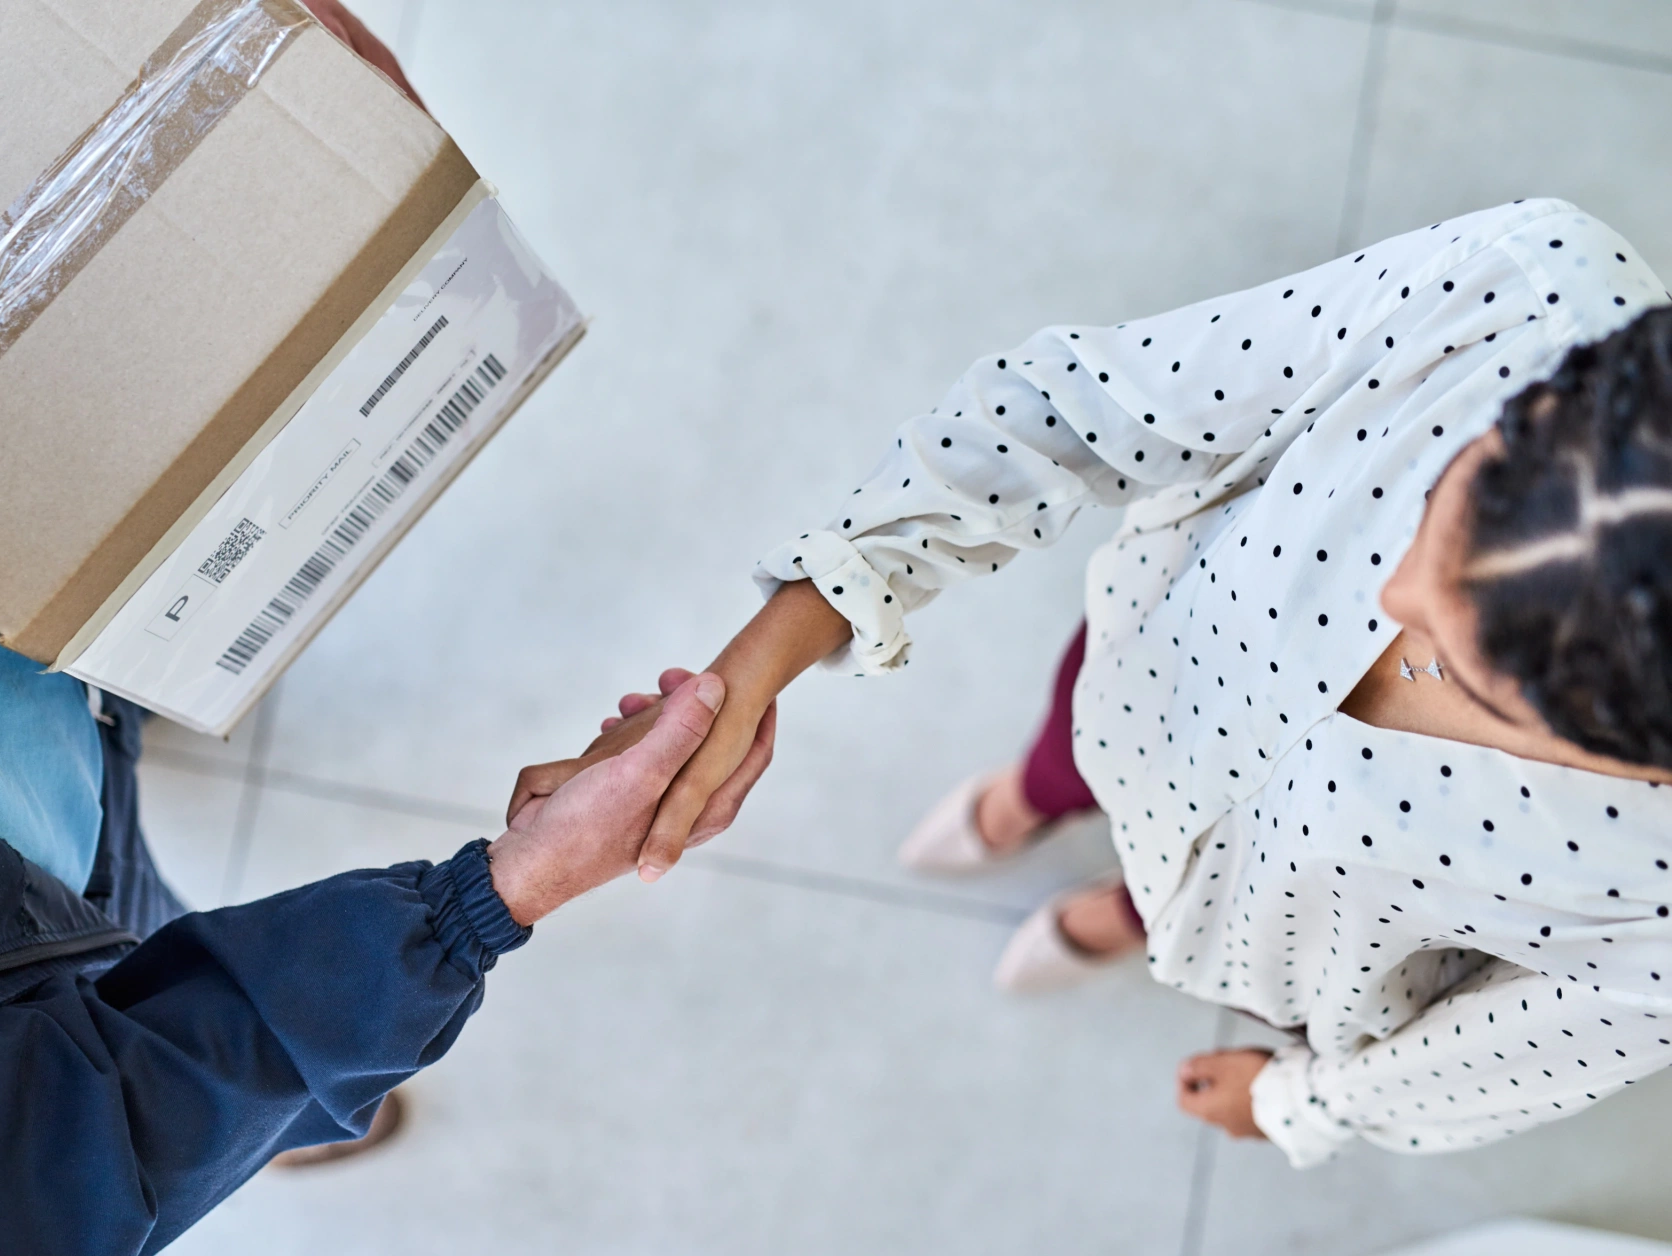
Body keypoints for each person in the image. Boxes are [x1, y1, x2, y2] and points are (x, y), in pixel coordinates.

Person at [0, 0, 774, 1256]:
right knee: (138, 964)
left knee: (135, 820)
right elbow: (74, 1154)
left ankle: (232, 960)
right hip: (5, 878)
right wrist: (473, 909)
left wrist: (190, 59)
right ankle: (290, 1101)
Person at [529, 198, 1672, 1167]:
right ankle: (1031, 795)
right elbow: (1085, 406)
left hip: (1279, 926)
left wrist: (1295, 1104)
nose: (1390, 592)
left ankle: (1121, 913)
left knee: (1203, 906)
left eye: (1473, 668)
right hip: (1147, 678)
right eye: (1454, 487)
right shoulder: (1523, 287)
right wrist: (754, 666)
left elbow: (1497, 1058)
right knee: (1067, 747)